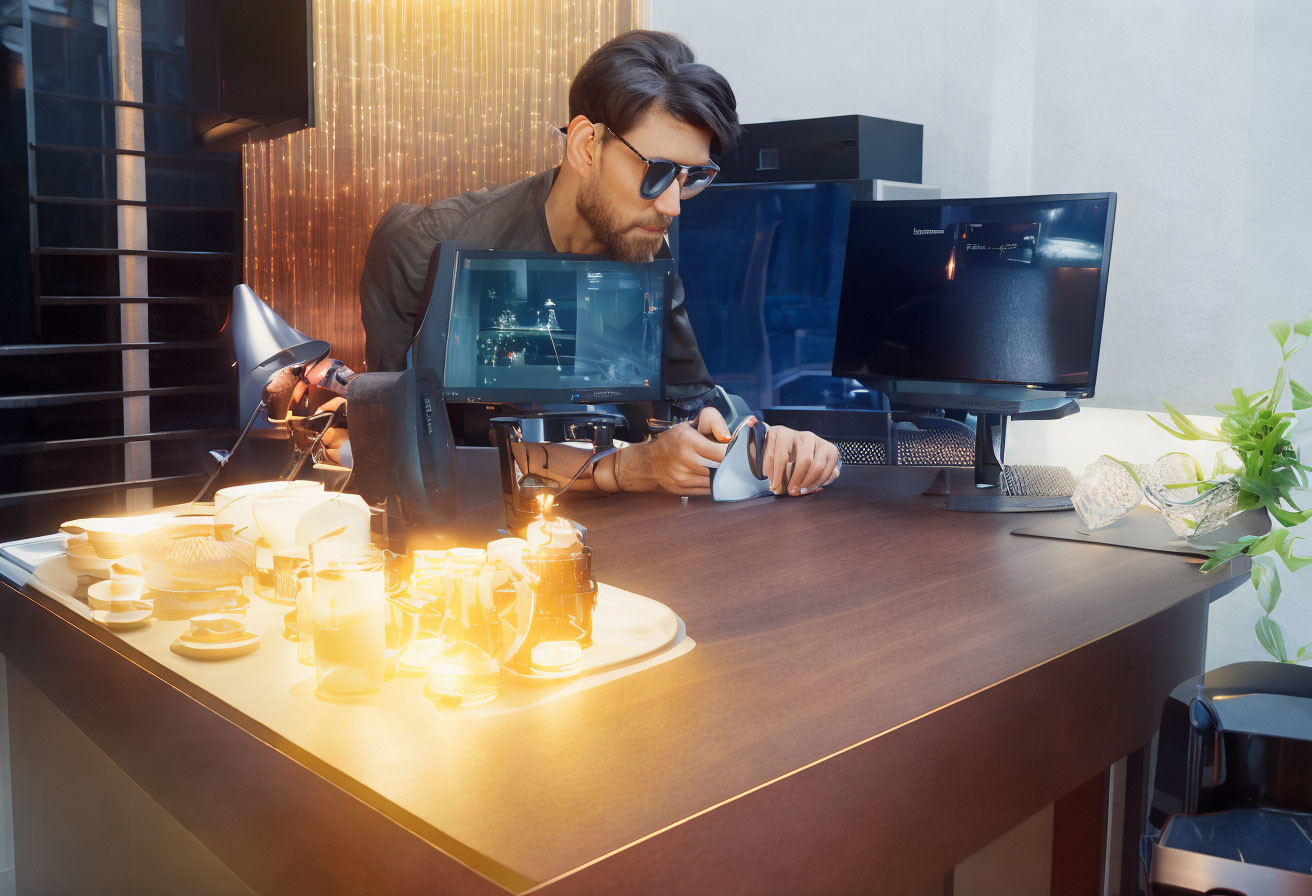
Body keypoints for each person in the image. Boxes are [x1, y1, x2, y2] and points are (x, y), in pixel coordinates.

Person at [359, 30, 840, 497]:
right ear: (587, 145)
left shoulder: (644, 246)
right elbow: (398, 452)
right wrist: (623, 469)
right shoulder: (426, 245)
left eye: (692, 177)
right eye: (657, 173)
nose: (673, 206)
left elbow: (695, 407)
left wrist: (771, 445)